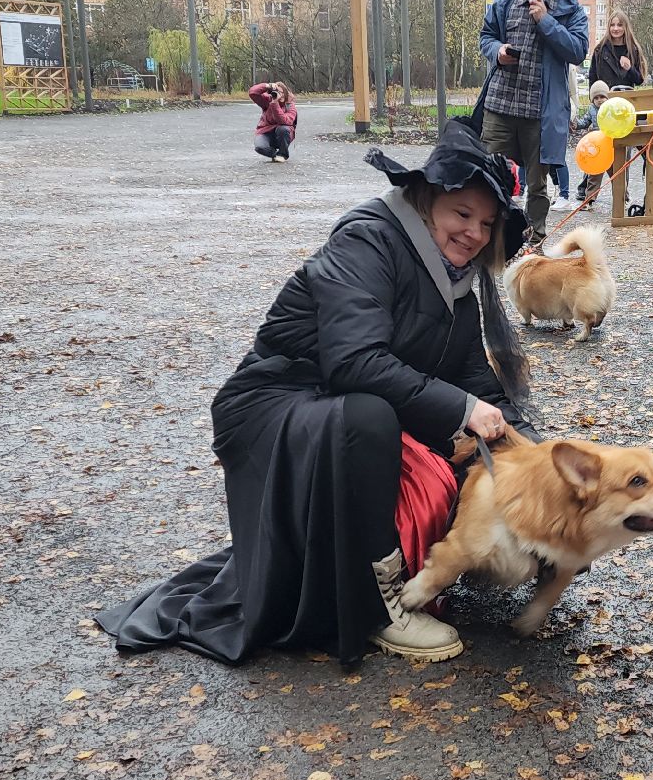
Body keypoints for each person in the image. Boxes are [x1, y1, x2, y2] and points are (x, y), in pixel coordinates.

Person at [98, 121, 538, 666]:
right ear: (427, 199)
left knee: (452, 435)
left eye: (486, 223)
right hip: (276, 402)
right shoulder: (368, 240)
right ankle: (380, 606)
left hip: (342, 402)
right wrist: (464, 409)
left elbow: (473, 372)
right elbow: (354, 360)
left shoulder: (459, 280)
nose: (473, 233)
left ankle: (431, 564)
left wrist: (534, 459)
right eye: (462, 214)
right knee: (377, 418)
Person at [478, 0, 589, 241]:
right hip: (500, 105)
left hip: (540, 113)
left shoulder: (570, 8)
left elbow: (578, 50)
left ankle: (535, 241)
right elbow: (485, 36)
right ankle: (491, 238)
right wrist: (498, 51)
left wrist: (545, 21)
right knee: (490, 176)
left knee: (538, 185)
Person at [588, 13, 645, 91]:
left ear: (625, 27)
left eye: (620, 25)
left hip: (626, 99)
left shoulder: (633, 50)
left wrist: (630, 68)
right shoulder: (599, 50)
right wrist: (595, 98)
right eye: (612, 25)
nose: (615, 28)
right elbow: (592, 78)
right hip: (606, 99)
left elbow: (639, 80)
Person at [250, 80, 297, 161]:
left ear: (285, 93)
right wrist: (268, 86)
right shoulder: (267, 101)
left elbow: (284, 121)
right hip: (266, 132)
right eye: (276, 92)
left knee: (283, 129)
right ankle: (275, 155)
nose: (279, 95)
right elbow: (252, 93)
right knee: (259, 147)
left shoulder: (290, 105)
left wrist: (275, 104)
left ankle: (283, 154)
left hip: (283, 134)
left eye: (281, 92)